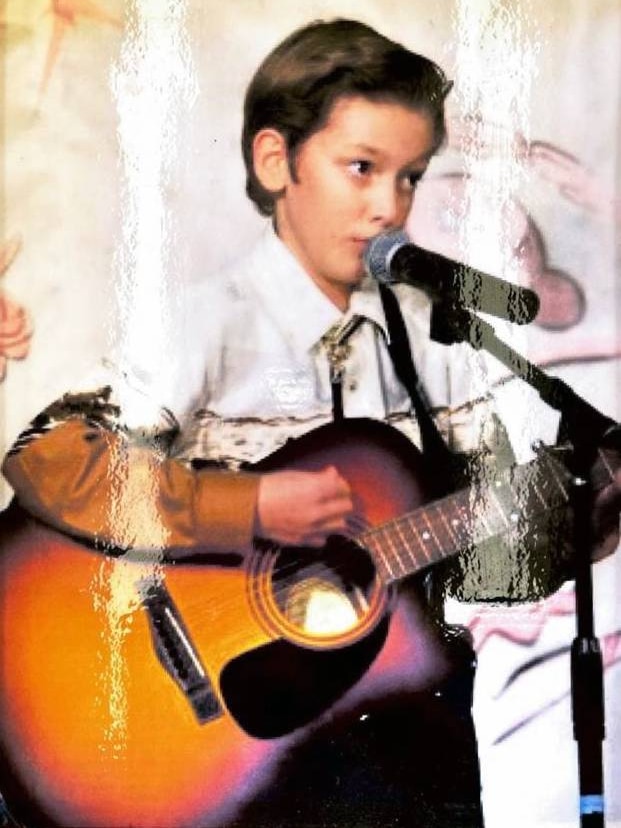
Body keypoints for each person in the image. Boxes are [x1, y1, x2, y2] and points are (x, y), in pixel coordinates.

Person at [1, 18, 619, 828]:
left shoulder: (434, 341)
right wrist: (245, 509)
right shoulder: (204, 323)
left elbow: (481, 565)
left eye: (407, 178)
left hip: (396, 748)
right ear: (274, 162)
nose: (386, 207)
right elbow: (49, 459)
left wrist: (584, 505)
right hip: (227, 762)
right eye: (360, 169)